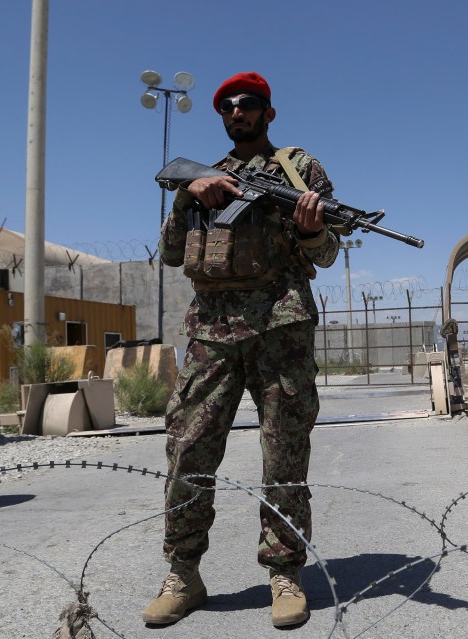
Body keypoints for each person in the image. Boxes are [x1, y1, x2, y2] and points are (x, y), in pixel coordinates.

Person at [142, 71, 339, 628]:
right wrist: (187, 196)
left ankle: (283, 573)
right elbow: (174, 253)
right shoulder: (207, 178)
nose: (237, 113)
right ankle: (183, 573)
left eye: (248, 105)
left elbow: (326, 255)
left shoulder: (301, 171)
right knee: (189, 450)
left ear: (268, 113)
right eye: (227, 107)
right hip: (212, 331)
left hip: (282, 328)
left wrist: (308, 231)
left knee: (284, 455)